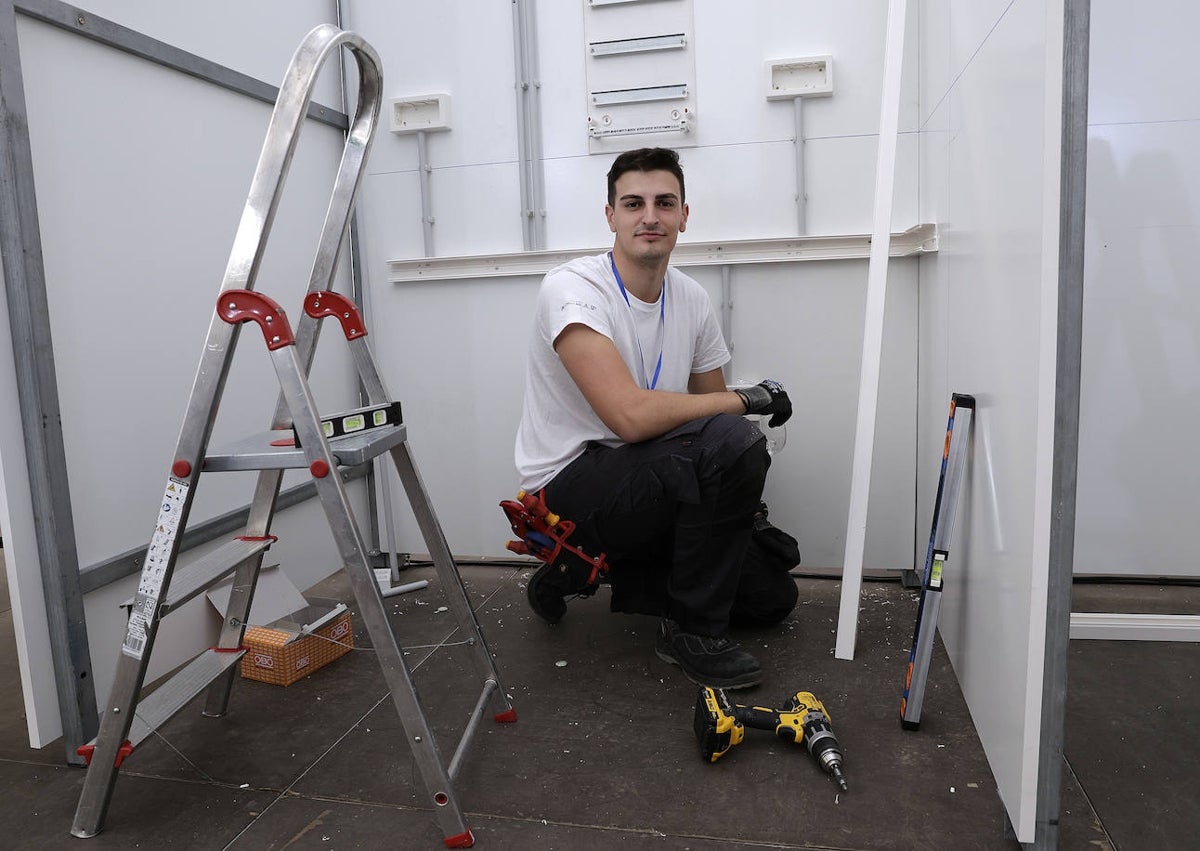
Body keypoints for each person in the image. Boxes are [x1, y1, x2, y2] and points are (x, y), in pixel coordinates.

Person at [513, 147, 799, 689]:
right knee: (732, 437)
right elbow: (628, 418)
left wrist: (746, 510)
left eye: (665, 203)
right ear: (610, 216)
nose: (650, 216)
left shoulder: (690, 297)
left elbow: (714, 422)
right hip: (571, 483)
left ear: (684, 215)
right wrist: (751, 397)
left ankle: (590, 574)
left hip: (651, 476)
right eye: (633, 203)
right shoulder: (573, 290)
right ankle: (688, 631)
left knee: (771, 600)